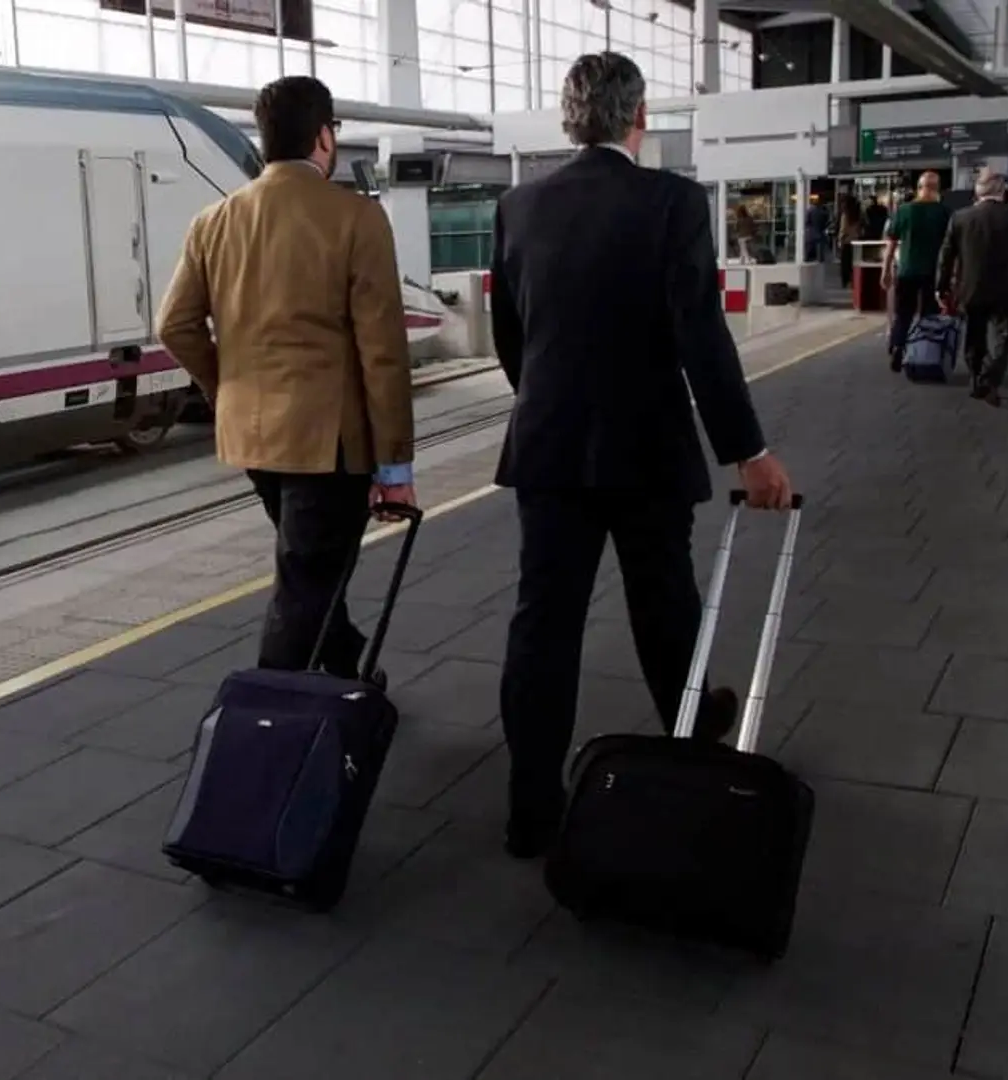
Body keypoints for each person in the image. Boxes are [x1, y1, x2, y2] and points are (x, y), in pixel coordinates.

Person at [487, 52, 793, 860]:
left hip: (549, 450)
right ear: (640, 118)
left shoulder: (518, 206)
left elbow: (512, 339)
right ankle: (691, 761)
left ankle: (530, 810)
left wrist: (554, 406)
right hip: (647, 446)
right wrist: (748, 451)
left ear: (566, 118)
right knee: (663, 603)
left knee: (543, 624)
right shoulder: (673, 203)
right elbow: (701, 333)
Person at [157, 75, 416, 685]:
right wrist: (395, 468)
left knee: (313, 563)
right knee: (304, 581)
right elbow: (383, 351)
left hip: (254, 439)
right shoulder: (357, 218)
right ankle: (264, 724)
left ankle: (348, 673)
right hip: (328, 444)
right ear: (325, 137)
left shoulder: (214, 221)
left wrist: (229, 388)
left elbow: (175, 325)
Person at [936, 170, 1008, 408]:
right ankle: (990, 378)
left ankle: (975, 380)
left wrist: (941, 287)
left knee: (974, 335)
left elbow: (946, 255)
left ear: (977, 192)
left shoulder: (960, 217)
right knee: (1007, 336)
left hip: (971, 287)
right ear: (1002, 191)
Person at [882, 171, 953, 371]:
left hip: (907, 270)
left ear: (918, 188)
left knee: (903, 313)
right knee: (928, 314)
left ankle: (897, 346)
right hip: (933, 272)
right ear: (938, 189)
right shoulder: (944, 212)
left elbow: (891, 244)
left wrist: (885, 270)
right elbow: (950, 247)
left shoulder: (903, 210)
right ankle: (925, 353)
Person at [836, 193, 863, 288]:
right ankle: (854, 280)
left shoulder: (845, 214)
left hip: (846, 241)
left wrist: (840, 240)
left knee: (845, 263)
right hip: (856, 240)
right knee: (854, 262)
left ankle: (845, 282)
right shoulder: (857, 214)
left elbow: (843, 229)